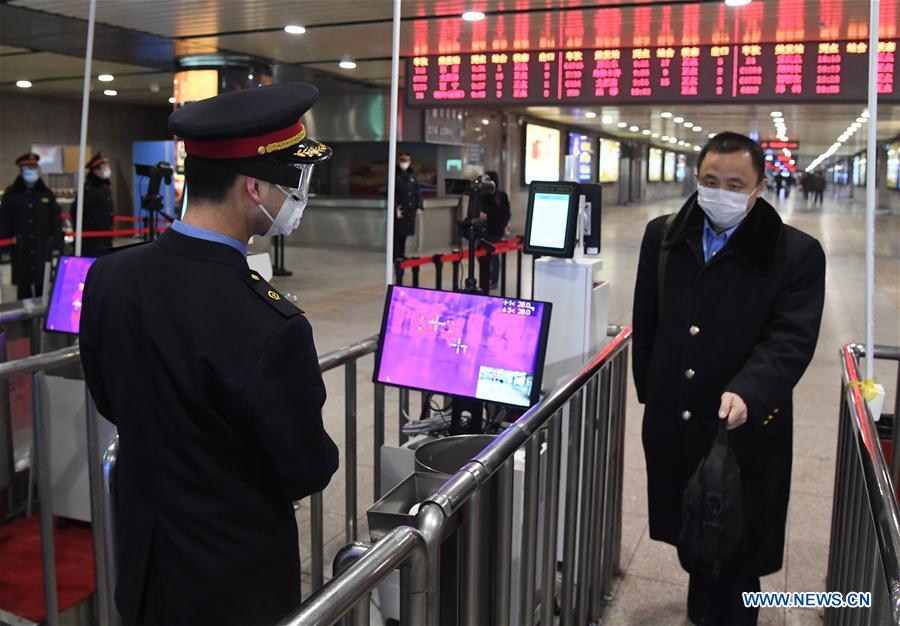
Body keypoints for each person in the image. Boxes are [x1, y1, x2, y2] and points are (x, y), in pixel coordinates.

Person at [79, 83, 339, 626]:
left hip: (145, 566)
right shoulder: (270, 325)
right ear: (252, 188)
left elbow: (109, 397)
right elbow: (306, 467)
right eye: (289, 184)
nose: (296, 198)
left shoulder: (110, 276)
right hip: (232, 584)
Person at [632, 132, 825, 626]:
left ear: (759, 187)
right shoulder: (664, 237)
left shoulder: (795, 253)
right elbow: (647, 321)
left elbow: (789, 340)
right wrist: (651, 394)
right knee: (694, 539)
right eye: (711, 181)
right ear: (697, 179)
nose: (722, 192)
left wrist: (750, 389)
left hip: (743, 432)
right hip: (678, 419)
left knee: (736, 551)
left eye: (736, 184)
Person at [0, 153, 63, 300]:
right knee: (24, 287)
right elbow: (4, 220)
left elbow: (55, 219)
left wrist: (56, 242)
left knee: (43, 284)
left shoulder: (46, 193)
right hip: (21, 247)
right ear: (21, 170)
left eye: (34, 167)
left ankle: (41, 319)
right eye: (28, 167)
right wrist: (6, 244)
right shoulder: (12, 194)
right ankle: (24, 320)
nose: (32, 171)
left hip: (42, 246)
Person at [73, 152, 115, 257]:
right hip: (92, 239)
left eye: (107, 166)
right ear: (95, 170)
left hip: (105, 236)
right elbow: (77, 211)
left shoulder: (104, 187)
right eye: (103, 166)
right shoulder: (89, 189)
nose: (107, 168)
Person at [480, 170, 511, 289]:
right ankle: (485, 278)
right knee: (482, 256)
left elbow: (505, 214)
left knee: (493, 257)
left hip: (495, 231)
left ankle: (494, 279)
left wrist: (489, 217)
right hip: (483, 231)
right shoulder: (482, 196)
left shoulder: (500, 196)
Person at [393, 151, 423, 260]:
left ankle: (402, 254)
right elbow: (393, 193)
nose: (404, 162)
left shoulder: (412, 174)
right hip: (400, 209)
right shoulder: (395, 174)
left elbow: (417, 191)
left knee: (405, 233)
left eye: (406, 160)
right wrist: (395, 207)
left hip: (410, 208)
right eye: (402, 160)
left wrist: (419, 206)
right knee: (398, 233)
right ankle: (396, 255)